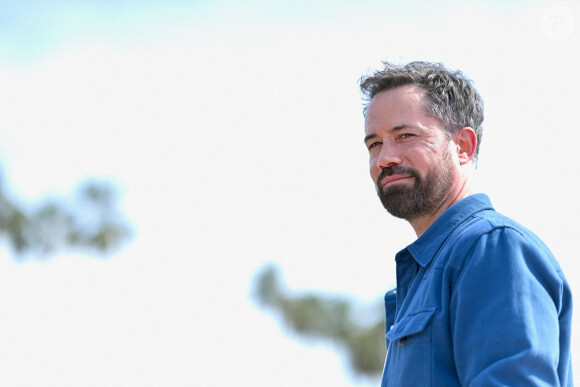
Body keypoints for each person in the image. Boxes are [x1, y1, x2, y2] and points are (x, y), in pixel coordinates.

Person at [359, 61, 573, 386]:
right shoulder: (430, 272)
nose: (384, 158)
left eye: (405, 135)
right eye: (374, 144)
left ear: (463, 147)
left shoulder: (493, 249)